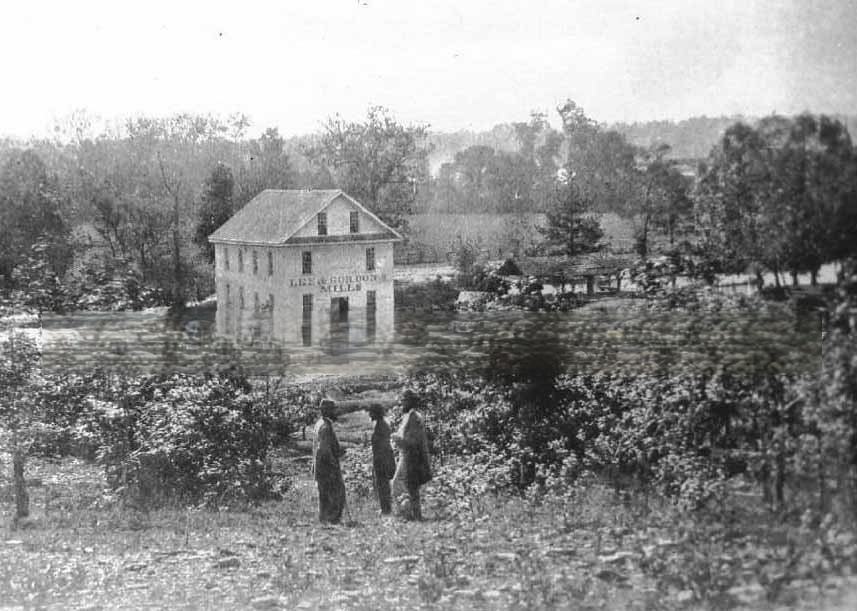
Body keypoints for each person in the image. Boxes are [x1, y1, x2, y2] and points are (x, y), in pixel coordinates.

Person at [391, 390, 431, 520]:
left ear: (410, 402)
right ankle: (414, 515)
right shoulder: (410, 416)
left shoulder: (413, 417)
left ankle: (408, 514)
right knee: (410, 486)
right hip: (408, 455)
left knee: (400, 484)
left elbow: (412, 441)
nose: (402, 403)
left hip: (410, 456)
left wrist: (397, 439)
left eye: (404, 401)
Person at [312, 399, 346, 524]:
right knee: (335, 492)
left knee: (324, 493)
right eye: (333, 410)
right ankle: (332, 520)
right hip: (326, 465)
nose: (335, 412)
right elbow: (324, 449)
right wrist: (333, 462)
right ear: (326, 411)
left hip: (320, 464)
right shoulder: (325, 426)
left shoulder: (320, 423)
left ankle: (325, 519)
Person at [368, 403, 396, 515]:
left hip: (382, 459)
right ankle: (385, 508)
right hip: (382, 458)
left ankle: (386, 509)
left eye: (371, 412)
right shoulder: (380, 424)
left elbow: (383, 445)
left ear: (376, 413)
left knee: (383, 484)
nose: (369, 414)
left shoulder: (381, 426)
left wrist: (379, 461)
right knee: (382, 484)